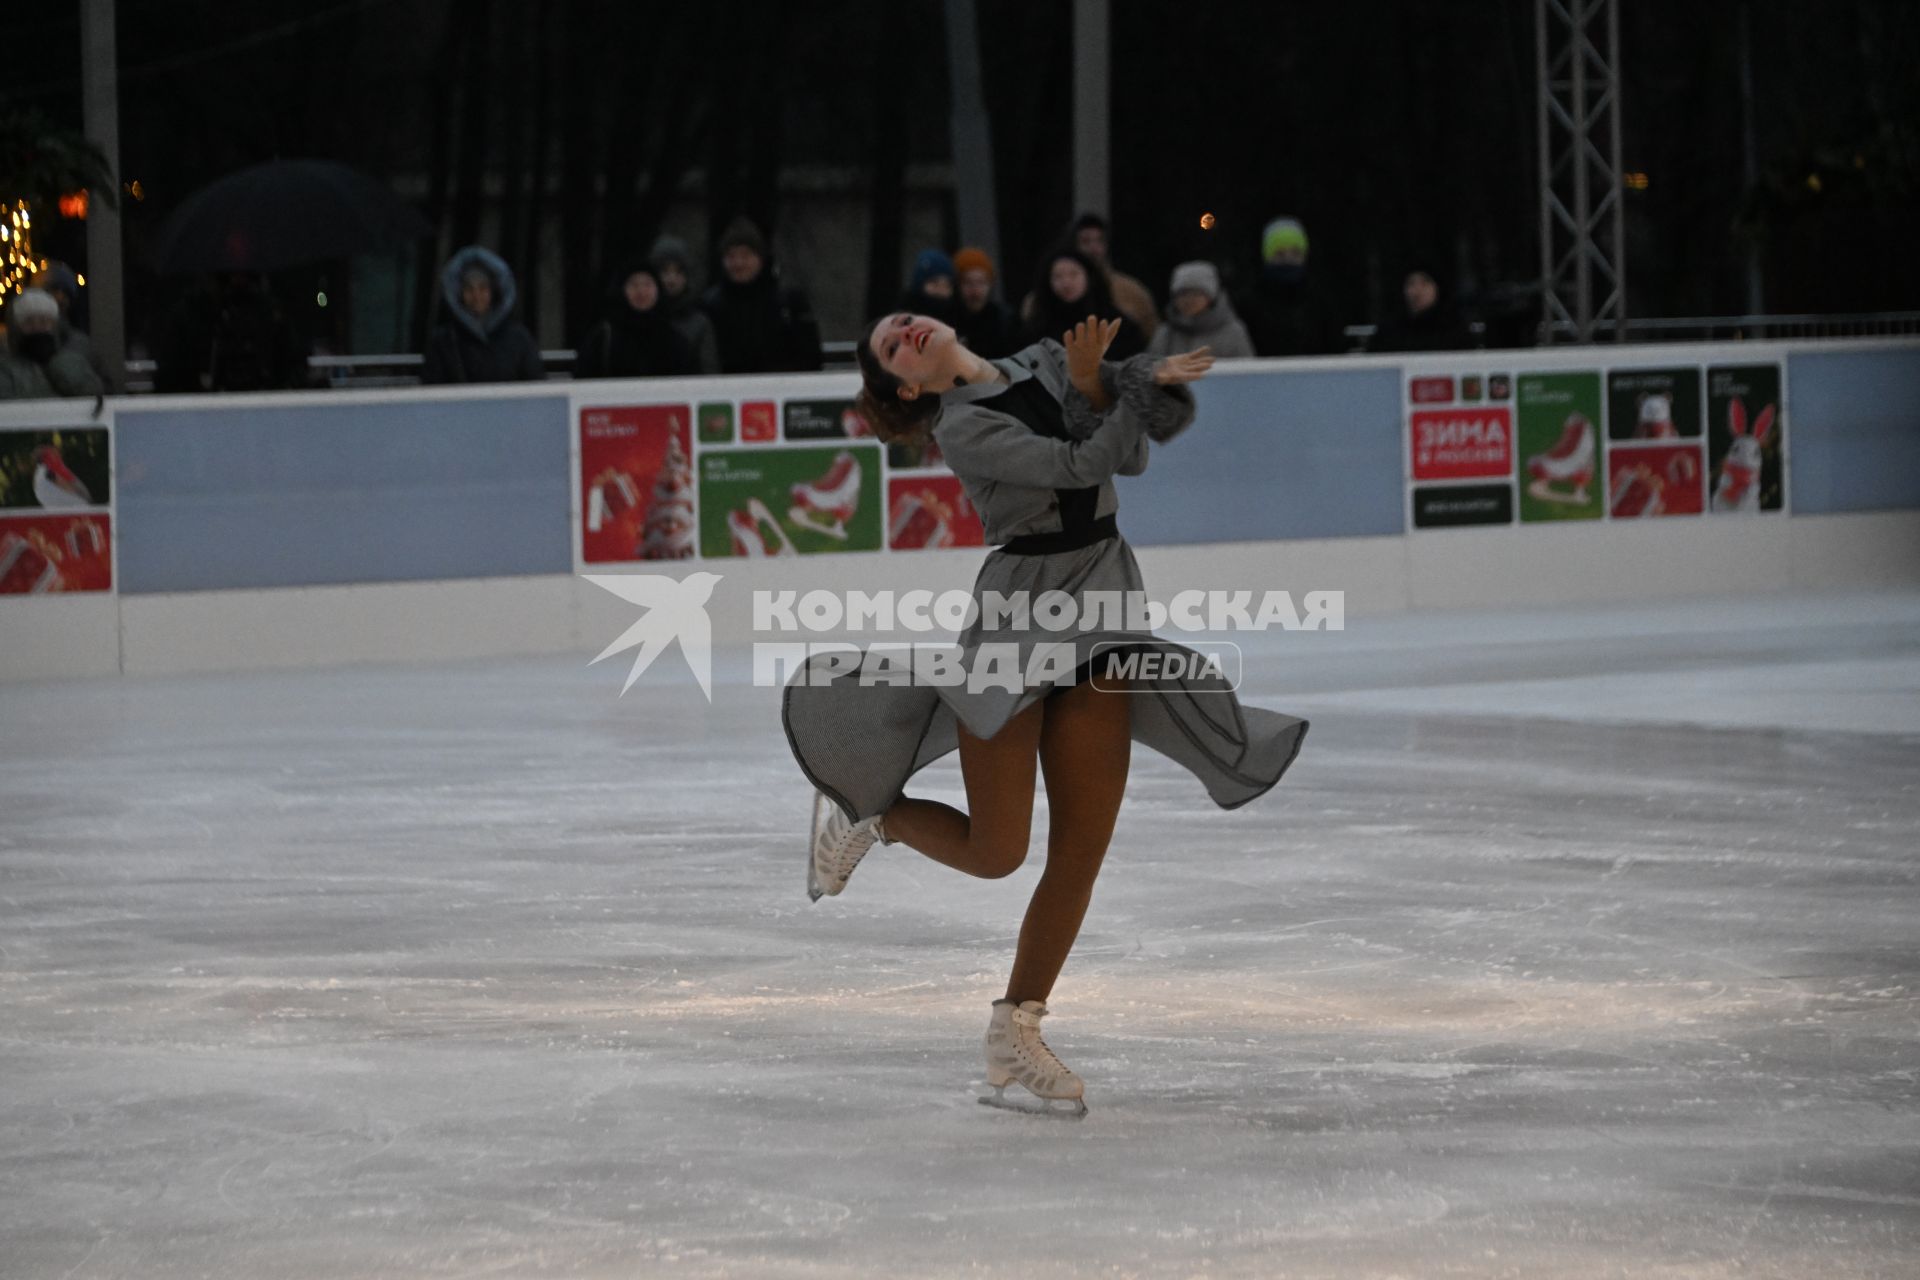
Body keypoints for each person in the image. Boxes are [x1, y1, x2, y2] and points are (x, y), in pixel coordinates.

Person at [783, 310, 1309, 1117]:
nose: (907, 332)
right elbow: (1076, 464)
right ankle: (876, 818)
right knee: (998, 852)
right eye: (892, 346)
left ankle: (1016, 1030)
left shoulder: (1042, 360)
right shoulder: (961, 426)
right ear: (906, 384)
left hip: (1102, 604)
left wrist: (1115, 385)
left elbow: (1125, 459)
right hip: (1017, 623)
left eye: (905, 322)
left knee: (1081, 850)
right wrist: (1106, 383)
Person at [700, 216, 823, 374]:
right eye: (731, 256)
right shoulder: (710, 305)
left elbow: (810, 355)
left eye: (745, 255)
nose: (738, 263)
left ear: (760, 258)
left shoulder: (788, 302)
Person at [153, 272, 307, 393]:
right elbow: (168, 376)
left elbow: (295, 368)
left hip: (266, 414)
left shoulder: (272, 313)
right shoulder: (192, 313)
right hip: (202, 417)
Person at [421, 246, 544, 385]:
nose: (476, 296)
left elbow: (536, 387)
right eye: (469, 288)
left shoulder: (519, 338)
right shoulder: (443, 341)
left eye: (483, 288)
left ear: (494, 292)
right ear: (458, 294)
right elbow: (431, 392)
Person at [1234, 216, 1341, 357]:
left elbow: (1335, 347)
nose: (1288, 260)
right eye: (1280, 254)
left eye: (1295, 253)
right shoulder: (1249, 304)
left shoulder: (1320, 301)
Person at [1021, 244, 1146, 362]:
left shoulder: (1117, 326)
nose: (1066, 283)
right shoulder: (1038, 329)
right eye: (1058, 276)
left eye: (1073, 274)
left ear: (1089, 277)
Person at [575, 262, 699, 379]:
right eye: (634, 285)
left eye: (647, 284)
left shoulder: (675, 340)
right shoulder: (603, 339)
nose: (641, 291)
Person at [0, 289, 104, 400]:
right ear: (18, 328)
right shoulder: (6, 368)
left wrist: (60, 366)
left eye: (44, 321)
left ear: (53, 325)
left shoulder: (73, 360)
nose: (37, 327)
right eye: (29, 322)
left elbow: (95, 394)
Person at [1068, 212, 1157, 341]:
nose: (1093, 248)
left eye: (1099, 241)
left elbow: (1152, 335)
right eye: (1085, 241)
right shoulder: (1054, 290)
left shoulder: (1131, 292)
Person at [30, 262, 116, 391]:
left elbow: (106, 391)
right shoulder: (12, 344)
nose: (60, 298)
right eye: (52, 290)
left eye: (66, 293)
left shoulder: (82, 345)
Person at [1147, 261, 1255, 360]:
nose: (1188, 300)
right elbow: (1152, 373)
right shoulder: (1164, 334)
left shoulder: (1233, 332)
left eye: (1196, 293)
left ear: (1211, 297)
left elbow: (1246, 373)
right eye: (1182, 294)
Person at [648, 234, 721, 374]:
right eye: (664, 272)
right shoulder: (639, 319)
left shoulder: (699, 324)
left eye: (678, 272)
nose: (671, 279)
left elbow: (710, 373)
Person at [1367, 264, 1475, 353]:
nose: (1417, 291)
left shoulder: (1455, 328)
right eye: (1411, 284)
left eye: (1425, 283)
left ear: (1437, 288)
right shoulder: (1388, 331)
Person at [950, 246, 1020, 359]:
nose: (975, 291)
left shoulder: (1005, 321)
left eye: (981, 282)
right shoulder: (948, 322)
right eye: (968, 283)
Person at [900, 248, 958, 324]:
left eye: (947, 285)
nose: (941, 290)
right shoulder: (902, 323)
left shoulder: (956, 320)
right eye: (934, 283)